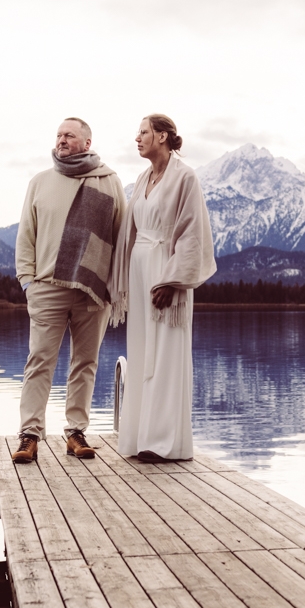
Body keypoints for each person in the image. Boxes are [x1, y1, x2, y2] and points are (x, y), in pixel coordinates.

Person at [11, 117, 126, 464]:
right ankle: (30, 434)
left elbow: (121, 237)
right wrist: (28, 282)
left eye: (69, 136)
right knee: (39, 361)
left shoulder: (109, 182)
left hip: (93, 291)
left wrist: (113, 287)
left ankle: (76, 432)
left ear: (87, 143)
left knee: (85, 362)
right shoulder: (40, 182)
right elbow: (25, 235)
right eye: (59, 135)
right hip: (46, 287)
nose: (61, 140)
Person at [109, 114, 217, 462]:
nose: (137, 138)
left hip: (164, 271)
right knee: (142, 351)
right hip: (140, 270)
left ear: (163, 135)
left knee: (166, 352)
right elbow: (131, 230)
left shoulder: (184, 177)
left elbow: (192, 232)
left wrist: (173, 281)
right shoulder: (142, 179)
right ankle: (141, 436)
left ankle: (164, 442)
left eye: (142, 132)